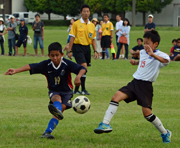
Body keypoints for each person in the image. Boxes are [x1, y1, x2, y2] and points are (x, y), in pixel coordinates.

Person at [94, 30, 172, 144]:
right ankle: (105, 124)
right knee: (115, 97)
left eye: (148, 43)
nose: (145, 45)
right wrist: (136, 63)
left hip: (146, 87)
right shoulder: (143, 52)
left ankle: (165, 133)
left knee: (147, 114)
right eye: (144, 43)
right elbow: (144, 61)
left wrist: (153, 54)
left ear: (155, 44)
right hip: (134, 83)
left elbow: (167, 61)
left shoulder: (161, 55)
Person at [4, 42, 87, 139]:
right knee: (57, 100)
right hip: (54, 90)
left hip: (67, 92)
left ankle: (47, 132)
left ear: (61, 54)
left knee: (58, 113)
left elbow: (82, 68)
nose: (55, 58)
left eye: (57, 55)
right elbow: (31, 66)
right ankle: (53, 118)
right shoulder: (46, 65)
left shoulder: (66, 63)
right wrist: (15, 70)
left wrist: (78, 76)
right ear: (49, 55)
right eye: (52, 56)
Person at [68, 4, 98, 95]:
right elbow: (72, 38)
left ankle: (77, 90)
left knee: (83, 69)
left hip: (87, 48)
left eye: (87, 11)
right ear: (81, 12)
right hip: (77, 47)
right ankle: (81, 88)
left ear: (89, 13)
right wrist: (69, 51)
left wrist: (95, 51)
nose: (86, 13)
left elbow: (93, 39)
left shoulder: (92, 25)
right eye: (84, 11)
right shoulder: (76, 24)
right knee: (83, 67)